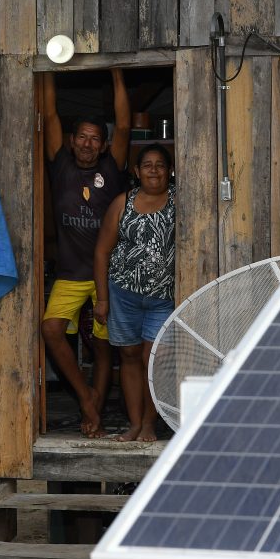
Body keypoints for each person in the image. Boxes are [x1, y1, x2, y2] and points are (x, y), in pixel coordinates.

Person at [41, 68, 130, 437]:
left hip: (106, 275)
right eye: (83, 138)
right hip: (70, 273)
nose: (88, 144)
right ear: (72, 140)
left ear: (105, 145)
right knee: (51, 330)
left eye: (96, 139)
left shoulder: (112, 168)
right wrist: (45, 71)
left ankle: (94, 407)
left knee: (103, 345)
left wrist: (117, 74)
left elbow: (124, 126)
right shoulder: (60, 164)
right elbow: (49, 115)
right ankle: (87, 399)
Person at [94, 144, 176, 442]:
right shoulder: (123, 202)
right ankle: (134, 424)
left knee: (154, 357)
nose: (153, 170)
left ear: (170, 171)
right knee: (128, 355)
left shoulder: (179, 201)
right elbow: (102, 252)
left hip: (163, 297)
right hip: (123, 293)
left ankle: (149, 423)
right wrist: (102, 299)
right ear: (137, 171)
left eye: (160, 165)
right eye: (147, 165)